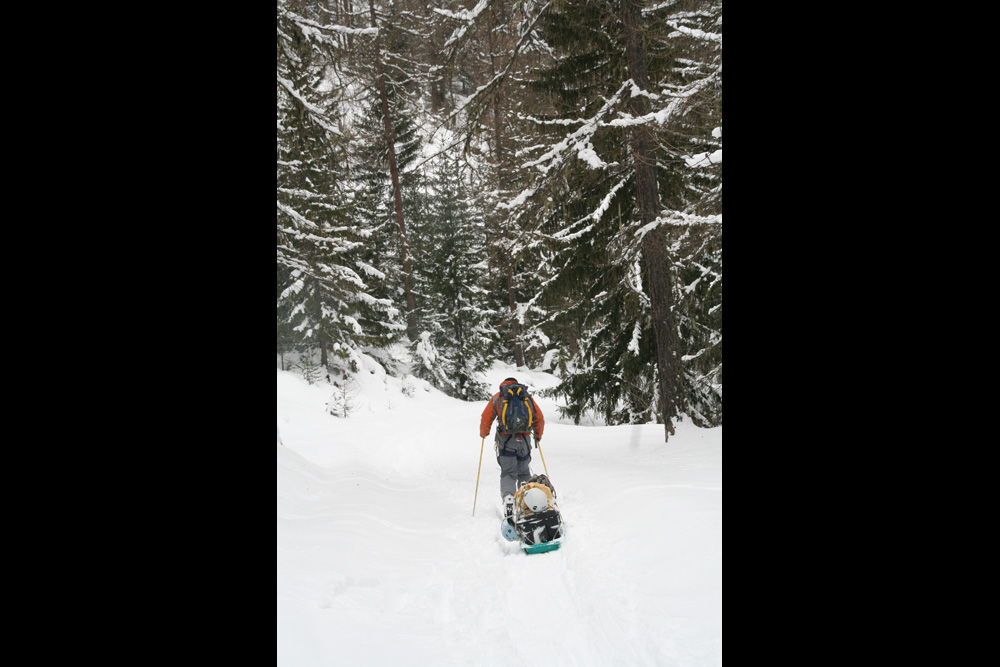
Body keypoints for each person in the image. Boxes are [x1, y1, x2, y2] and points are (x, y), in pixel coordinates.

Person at [480, 377, 545, 518]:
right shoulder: (525, 397)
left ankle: (508, 498)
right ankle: (527, 501)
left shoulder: (498, 397)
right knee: (524, 472)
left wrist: (484, 433)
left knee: (508, 473)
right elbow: (539, 417)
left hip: (506, 441)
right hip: (525, 440)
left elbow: (486, 418)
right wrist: (538, 436)